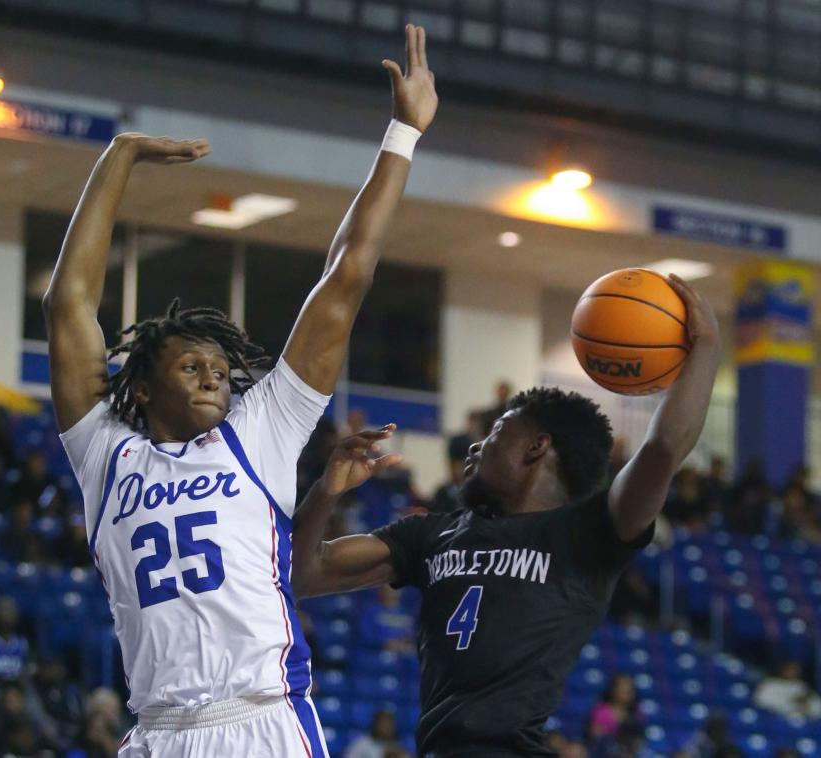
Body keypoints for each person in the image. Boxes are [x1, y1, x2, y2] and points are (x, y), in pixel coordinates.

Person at [41, 24, 437, 758]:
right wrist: (117, 158)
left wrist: (403, 135)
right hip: (157, 732)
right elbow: (68, 304)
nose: (214, 379)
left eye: (222, 373)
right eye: (192, 367)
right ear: (144, 382)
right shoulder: (105, 455)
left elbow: (345, 277)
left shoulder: (260, 432)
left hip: (261, 721)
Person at [291, 275, 721, 756]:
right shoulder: (430, 534)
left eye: (495, 431)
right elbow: (303, 574)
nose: (475, 444)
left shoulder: (588, 533)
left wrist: (705, 346)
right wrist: (325, 493)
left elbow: (663, 448)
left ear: (537, 448)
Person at [753, 660, 821, 718]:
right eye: (789, 669)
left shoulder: (802, 687)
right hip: (777, 721)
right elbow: (761, 702)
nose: (792, 672)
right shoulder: (770, 684)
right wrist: (791, 704)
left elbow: (818, 708)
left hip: (802, 723)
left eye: (795, 669)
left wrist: (808, 707)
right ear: (782, 669)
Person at [588, 674, 640, 739]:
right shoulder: (602, 712)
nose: (627, 691)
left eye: (630, 688)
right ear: (613, 690)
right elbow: (596, 735)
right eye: (622, 687)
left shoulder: (636, 712)